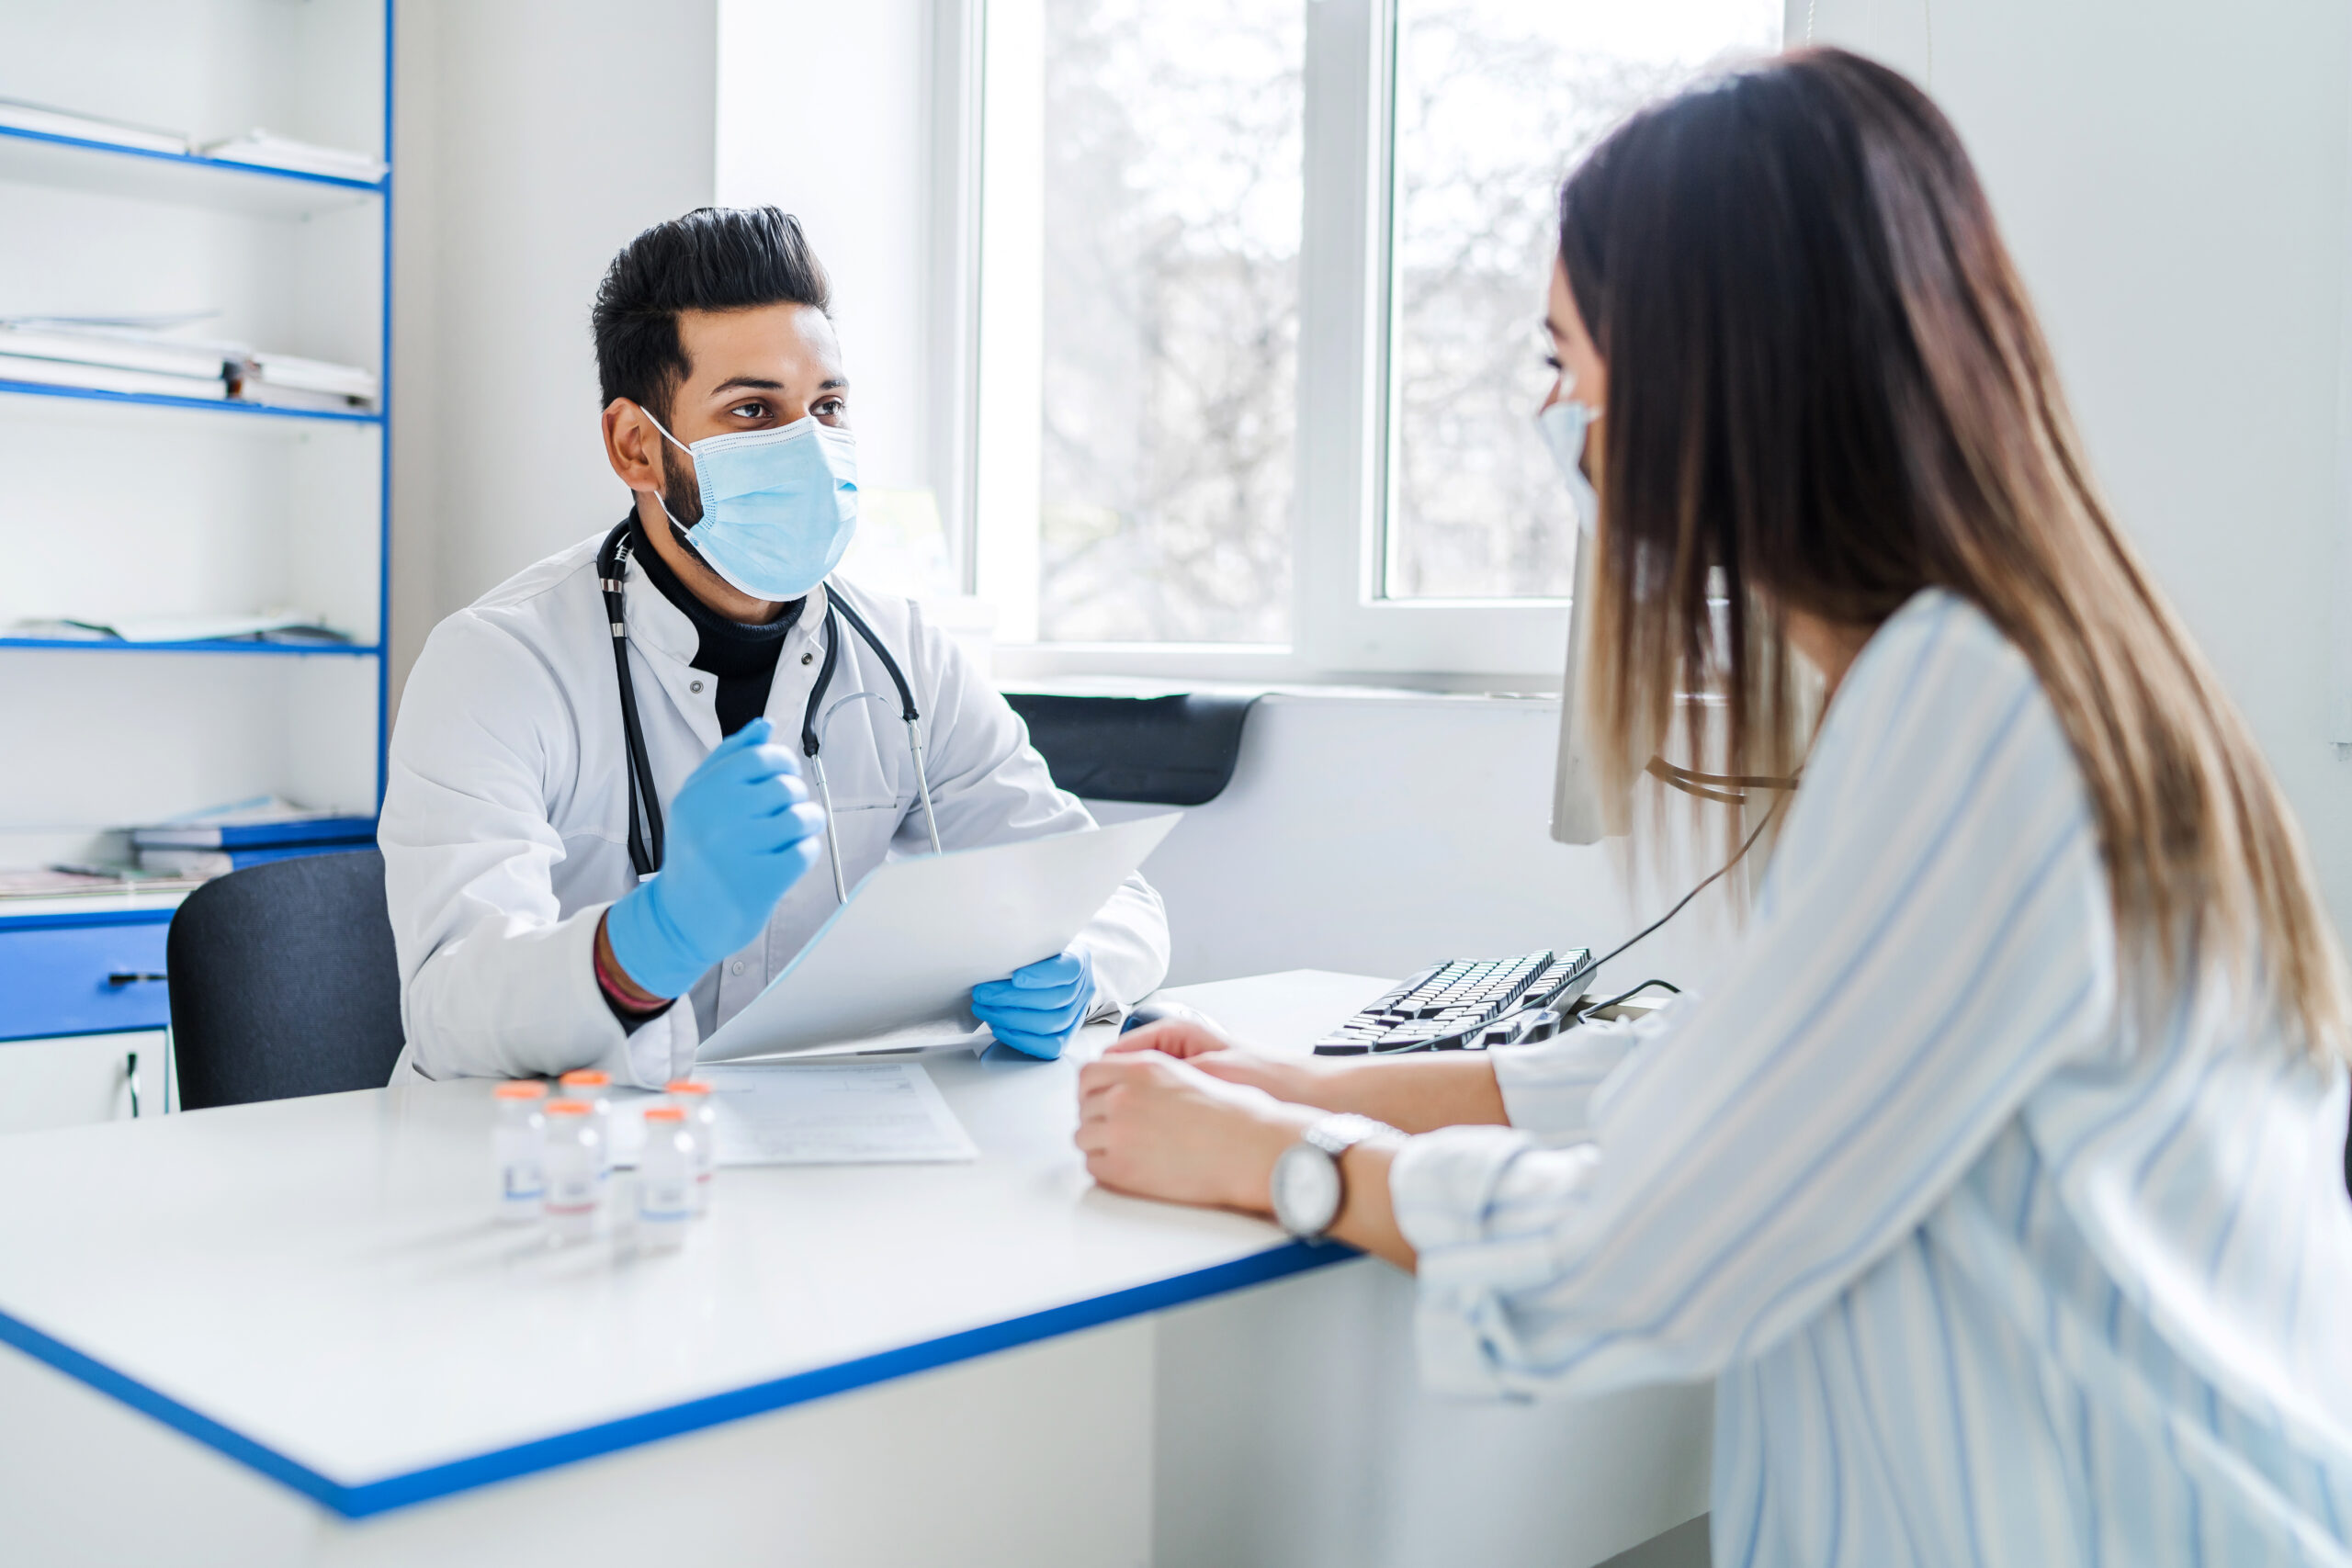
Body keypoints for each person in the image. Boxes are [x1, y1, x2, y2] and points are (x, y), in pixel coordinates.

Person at [1077, 50, 2352, 1564]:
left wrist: (1274, 1161)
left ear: (1711, 373)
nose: (1556, 416)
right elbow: (1739, 1081)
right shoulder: (2007, 671)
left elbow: (1662, 1242)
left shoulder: (1966, 708)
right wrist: (1303, 1081)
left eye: (1565, 361)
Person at [382, 207, 1168, 1084]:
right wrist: (652, 939)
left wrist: (1083, 965)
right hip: (541, 1162)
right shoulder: (497, 666)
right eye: (754, 410)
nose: (809, 447)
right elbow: (450, 1008)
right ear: (636, 447)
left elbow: (1109, 895)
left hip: (807, 1157)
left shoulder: (906, 655)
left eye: (827, 407)